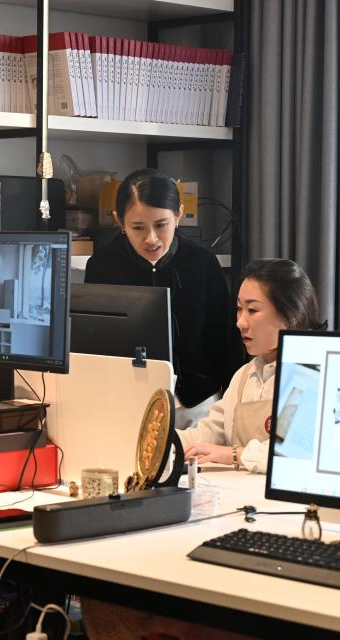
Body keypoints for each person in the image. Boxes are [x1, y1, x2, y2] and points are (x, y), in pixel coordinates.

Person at [84, 168, 246, 426]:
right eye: (138, 227)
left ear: (178, 215)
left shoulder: (203, 263)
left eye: (161, 225)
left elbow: (225, 340)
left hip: (199, 404)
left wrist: (234, 405)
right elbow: (94, 345)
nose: (151, 239)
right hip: (131, 403)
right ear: (119, 221)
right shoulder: (102, 267)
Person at [179, 258, 322, 473]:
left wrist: (233, 455)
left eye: (252, 310)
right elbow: (209, 432)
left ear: (291, 316)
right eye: (239, 309)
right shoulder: (244, 375)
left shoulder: (310, 373)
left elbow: (291, 452)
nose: (240, 322)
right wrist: (162, 440)